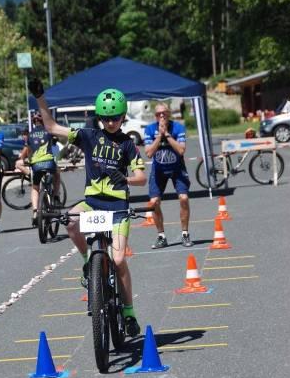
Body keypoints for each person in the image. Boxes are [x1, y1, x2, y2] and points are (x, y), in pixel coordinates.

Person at [29, 78, 146, 337]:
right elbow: (51, 126)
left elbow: (142, 178)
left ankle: (129, 313)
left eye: (115, 118)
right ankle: (87, 262)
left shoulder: (128, 144)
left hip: (116, 207)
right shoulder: (89, 136)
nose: (110, 123)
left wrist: (125, 179)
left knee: (118, 259)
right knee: (70, 220)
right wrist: (40, 97)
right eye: (105, 118)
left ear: (123, 116)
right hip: (92, 204)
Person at [144, 102, 193, 249]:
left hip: (177, 168)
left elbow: (181, 150)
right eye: (158, 114)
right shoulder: (150, 129)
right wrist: (159, 137)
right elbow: (148, 153)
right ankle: (161, 236)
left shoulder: (178, 127)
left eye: (164, 113)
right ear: (155, 116)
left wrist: (167, 135)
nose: (161, 116)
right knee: (154, 202)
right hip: (159, 169)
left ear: (169, 114)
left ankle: (185, 233)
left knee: (183, 198)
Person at [15, 111, 61, 226]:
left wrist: (27, 160)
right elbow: (57, 141)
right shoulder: (49, 131)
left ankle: (35, 212)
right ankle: (55, 196)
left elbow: (28, 151)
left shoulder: (30, 135)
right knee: (57, 174)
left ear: (34, 122)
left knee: (35, 188)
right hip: (49, 163)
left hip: (36, 164)